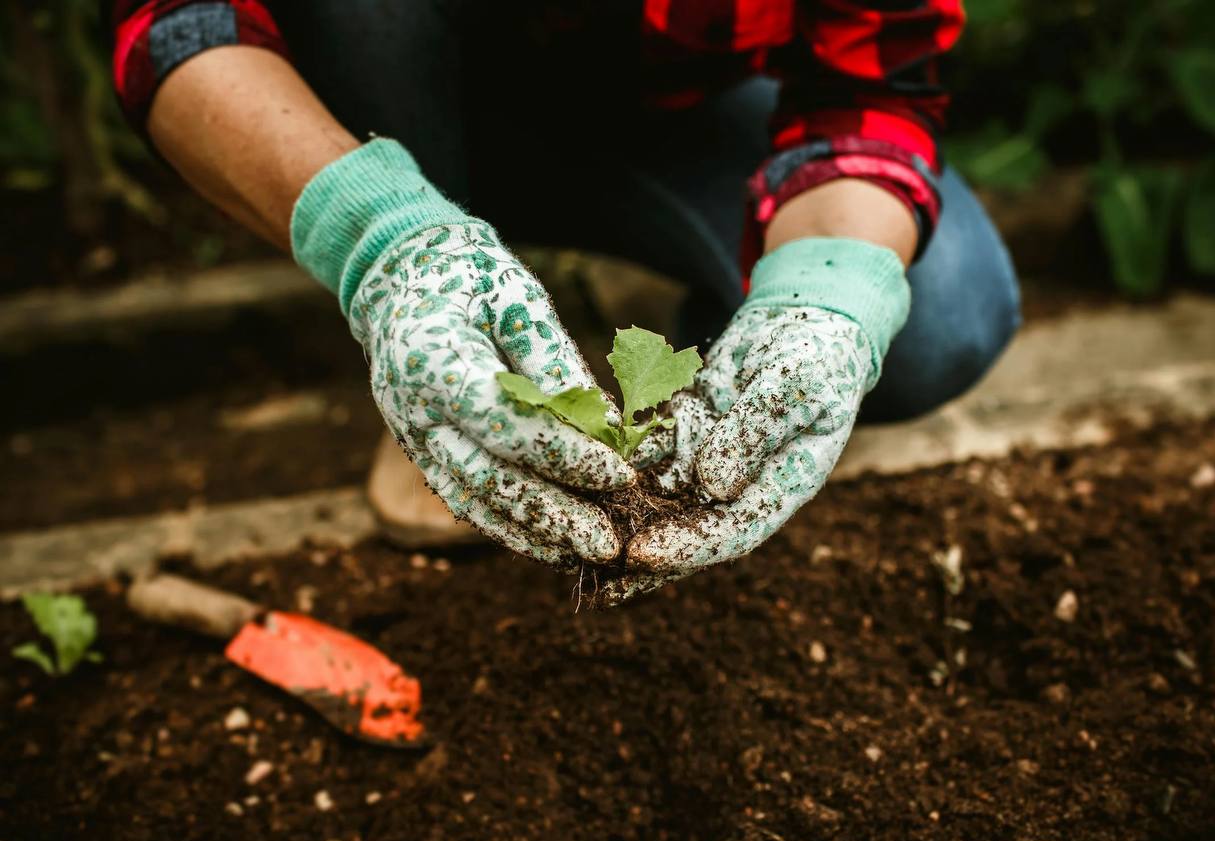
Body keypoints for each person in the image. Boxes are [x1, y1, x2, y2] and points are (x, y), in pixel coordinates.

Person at [105, 0, 1019, 600]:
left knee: (937, 316)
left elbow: (869, 82)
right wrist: (383, 244)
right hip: (366, 117)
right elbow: (176, 24)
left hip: (662, 115)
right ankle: (440, 350)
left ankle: (698, 398)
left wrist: (826, 302)